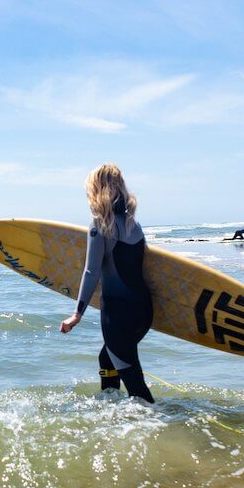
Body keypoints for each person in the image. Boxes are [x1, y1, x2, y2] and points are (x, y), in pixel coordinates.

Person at [59, 164, 155, 403]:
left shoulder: (100, 225)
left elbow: (91, 271)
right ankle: (110, 410)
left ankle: (165, 428)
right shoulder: (135, 225)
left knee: (137, 388)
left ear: (96, 189)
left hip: (118, 312)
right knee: (108, 358)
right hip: (143, 311)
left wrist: (76, 315)